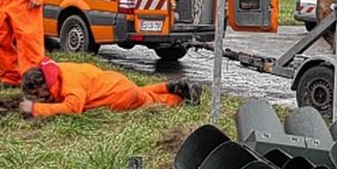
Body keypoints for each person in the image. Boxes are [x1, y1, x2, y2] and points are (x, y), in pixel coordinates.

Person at [19, 58, 202, 118]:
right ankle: (168, 86)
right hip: (116, 83)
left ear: (44, 83)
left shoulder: (70, 85)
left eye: (37, 93)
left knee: (151, 101)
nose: (38, 97)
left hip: (120, 96)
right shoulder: (59, 70)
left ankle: (181, 100)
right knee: (140, 91)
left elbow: (72, 108)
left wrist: (35, 109)